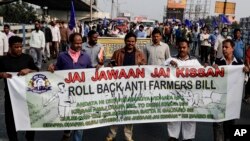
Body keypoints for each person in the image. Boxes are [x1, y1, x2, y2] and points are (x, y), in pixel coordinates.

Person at [48, 33, 92, 141]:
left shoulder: (86, 57)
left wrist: (98, 68)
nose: (79, 45)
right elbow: (57, 70)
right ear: (70, 43)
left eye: (80, 43)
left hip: (81, 93)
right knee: (68, 117)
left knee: (80, 118)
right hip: (67, 94)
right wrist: (52, 68)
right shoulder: (62, 56)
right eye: (76, 43)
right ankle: (67, 132)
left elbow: (91, 72)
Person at [106, 32, 146, 141]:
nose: (130, 43)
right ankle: (111, 135)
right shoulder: (117, 53)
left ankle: (128, 136)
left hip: (133, 87)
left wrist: (142, 67)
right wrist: (110, 66)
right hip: (119, 86)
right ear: (125, 41)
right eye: (129, 41)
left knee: (129, 112)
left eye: (133, 41)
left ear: (135, 42)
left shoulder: (140, 54)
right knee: (116, 111)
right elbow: (111, 65)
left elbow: (145, 69)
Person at [0, 36, 39, 141]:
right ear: (10, 47)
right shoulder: (3, 60)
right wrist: (1, 74)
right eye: (16, 47)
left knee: (30, 120)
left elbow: (37, 72)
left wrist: (29, 70)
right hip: (11, 97)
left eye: (20, 47)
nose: (19, 49)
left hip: (27, 96)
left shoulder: (27, 58)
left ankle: (30, 138)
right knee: (10, 122)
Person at [164, 38, 201, 141]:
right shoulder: (171, 59)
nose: (182, 49)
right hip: (174, 95)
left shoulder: (194, 61)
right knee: (173, 117)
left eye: (184, 47)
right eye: (180, 47)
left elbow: (204, 75)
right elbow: (159, 72)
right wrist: (168, 64)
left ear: (188, 48)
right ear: (177, 47)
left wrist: (208, 68)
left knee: (189, 117)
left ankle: (188, 138)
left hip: (190, 94)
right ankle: (173, 137)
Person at [213, 39, 249, 141]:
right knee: (218, 125)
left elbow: (244, 81)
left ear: (232, 48)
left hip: (232, 101)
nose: (224, 49)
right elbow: (211, 79)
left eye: (226, 47)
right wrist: (211, 69)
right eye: (223, 47)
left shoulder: (239, 63)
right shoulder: (217, 62)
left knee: (229, 126)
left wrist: (246, 72)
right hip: (219, 100)